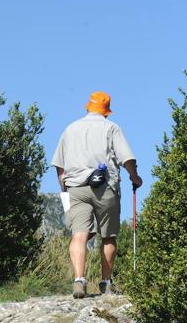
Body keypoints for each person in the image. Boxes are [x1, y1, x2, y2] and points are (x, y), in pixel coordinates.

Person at [51, 91, 142, 299]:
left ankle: (79, 280)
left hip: (76, 187)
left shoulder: (70, 129)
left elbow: (59, 166)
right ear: (106, 111)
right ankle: (106, 283)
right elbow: (127, 158)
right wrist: (135, 177)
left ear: (88, 107)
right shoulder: (111, 128)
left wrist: (65, 188)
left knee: (79, 234)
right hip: (105, 188)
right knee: (108, 236)